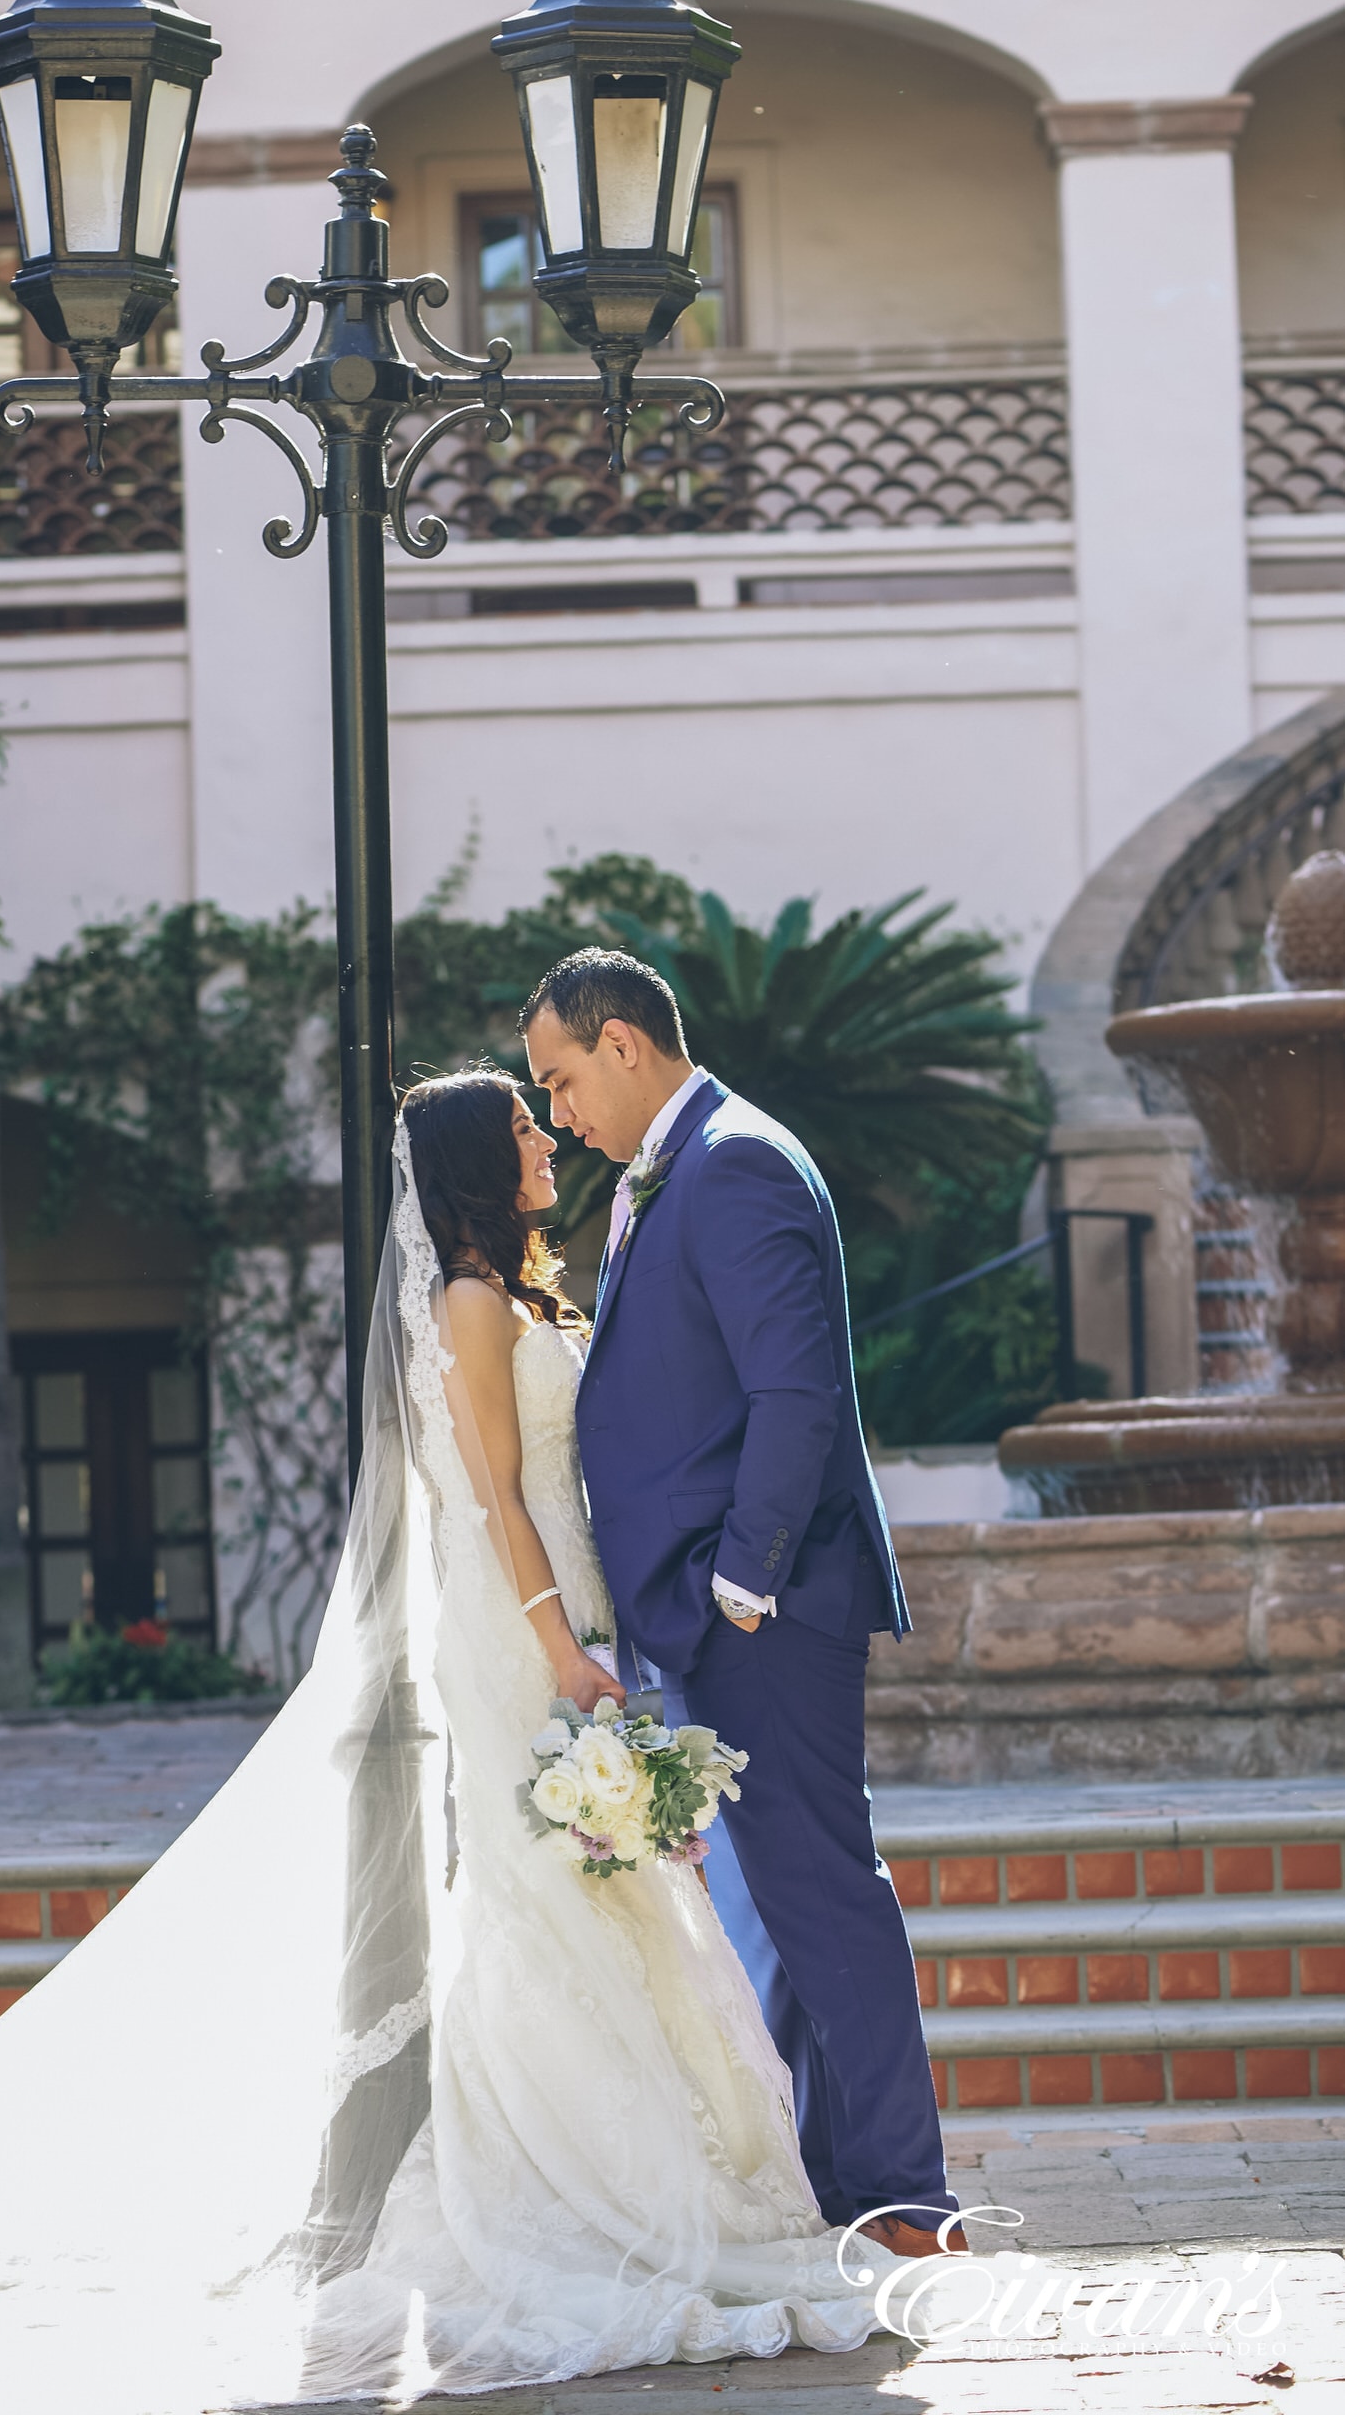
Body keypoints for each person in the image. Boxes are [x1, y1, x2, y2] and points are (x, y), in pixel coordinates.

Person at [0, 1070, 892, 2412]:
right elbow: (496, 1495)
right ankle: (568, 2191)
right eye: (521, 1125)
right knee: (555, 1888)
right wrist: (557, 1644)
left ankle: (677, 2174)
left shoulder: (514, 1291)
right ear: (471, 1158)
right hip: (522, 1621)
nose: (544, 1138)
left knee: (605, 1882)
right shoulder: (465, 1301)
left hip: (569, 1609)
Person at [522, 949, 963, 2261]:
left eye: (557, 1080)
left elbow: (793, 1392)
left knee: (820, 1892)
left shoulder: (738, 1161)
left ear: (618, 1042)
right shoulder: (678, 1166)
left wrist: (742, 1579)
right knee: (778, 1901)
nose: (555, 1116)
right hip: (704, 1613)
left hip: (761, 1608)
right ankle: (845, 2183)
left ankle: (904, 2200)